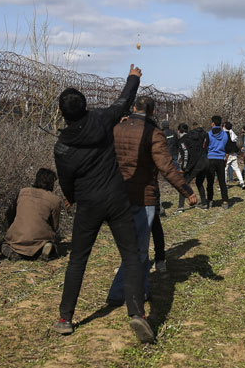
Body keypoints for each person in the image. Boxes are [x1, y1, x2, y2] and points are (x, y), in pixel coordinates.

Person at [52, 64, 155, 342]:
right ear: (85, 106)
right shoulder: (101, 119)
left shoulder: (62, 146)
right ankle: (136, 313)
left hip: (88, 204)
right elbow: (123, 102)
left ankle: (65, 318)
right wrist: (133, 77)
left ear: (61, 113)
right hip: (116, 198)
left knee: (78, 260)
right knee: (131, 256)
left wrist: (72, 198)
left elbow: (66, 181)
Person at [106, 95, 196, 308]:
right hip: (142, 197)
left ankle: (137, 289)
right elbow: (166, 167)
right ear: (153, 112)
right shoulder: (154, 133)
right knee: (139, 249)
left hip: (117, 196)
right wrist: (186, 189)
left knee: (132, 247)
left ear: (133, 107)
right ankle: (125, 293)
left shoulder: (116, 129)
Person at [1, 168, 62, 261]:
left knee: (3, 245)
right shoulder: (55, 200)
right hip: (40, 240)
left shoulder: (22, 192)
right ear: (51, 183)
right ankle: (45, 249)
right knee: (48, 243)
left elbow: (9, 213)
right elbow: (55, 225)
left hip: (17, 237)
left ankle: (13, 254)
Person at [178, 123, 209, 210]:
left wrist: (184, 167)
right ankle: (204, 203)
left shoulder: (183, 140)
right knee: (199, 182)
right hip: (205, 161)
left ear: (179, 131)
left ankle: (180, 206)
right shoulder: (198, 136)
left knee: (183, 183)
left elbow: (186, 154)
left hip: (194, 164)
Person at [205, 115, 232, 209]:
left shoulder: (208, 134)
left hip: (210, 159)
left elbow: (205, 147)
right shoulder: (225, 134)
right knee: (222, 181)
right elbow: (228, 148)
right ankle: (225, 201)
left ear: (212, 123)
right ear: (221, 124)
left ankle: (210, 200)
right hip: (220, 159)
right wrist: (225, 159)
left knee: (210, 181)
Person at [223, 122, 245, 190]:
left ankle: (224, 185)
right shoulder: (232, 133)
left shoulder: (224, 134)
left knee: (225, 169)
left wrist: (226, 155)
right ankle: (242, 183)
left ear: (224, 126)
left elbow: (226, 146)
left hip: (228, 154)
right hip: (234, 153)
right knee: (236, 168)